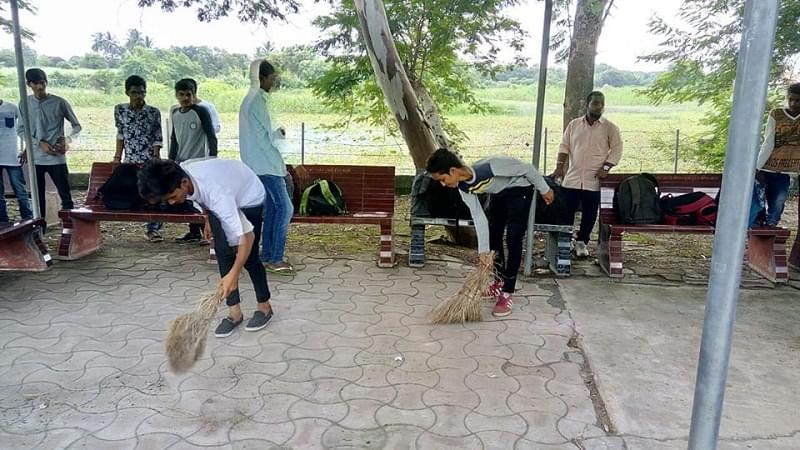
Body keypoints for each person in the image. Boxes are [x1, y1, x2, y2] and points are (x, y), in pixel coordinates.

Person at [138, 158, 274, 338]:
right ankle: (235, 313)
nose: (171, 203)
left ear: (184, 183)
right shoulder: (182, 171)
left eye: (172, 197)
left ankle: (265, 307)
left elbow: (247, 237)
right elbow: (200, 197)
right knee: (223, 253)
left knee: (248, 258)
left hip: (248, 196)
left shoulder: (218, 194)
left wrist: (234, 275)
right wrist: (207, 218)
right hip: (224, 191)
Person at [426, 148, 554, 317]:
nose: (443, 184)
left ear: (453, 171)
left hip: (519, 189)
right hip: (498, 194)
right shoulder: (464, 188)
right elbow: (479, 217)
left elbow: (528, 169)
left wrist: (545, 189)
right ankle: (498, 282)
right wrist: (484, 253)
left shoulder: (491, 167)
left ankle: (507, 292)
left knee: (513, 238)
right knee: (494, 235)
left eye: (443, 179)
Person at [551, 91, 622, 258]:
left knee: (590, 213)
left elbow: (617, 149)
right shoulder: (574, 125)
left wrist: (606, 167)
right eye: (595, 103)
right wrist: (559, 166)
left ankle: (582, 242)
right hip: (573, 177)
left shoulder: (609, 128)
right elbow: (564, 146)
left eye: (602, 104)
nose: (599, 107)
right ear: (587, 105)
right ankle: (566, 239)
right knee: (567, 211)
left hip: (594, 179)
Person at [239, 59, 294, 274]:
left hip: (256, 163)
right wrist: (278, 136)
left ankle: (268, 254)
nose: (273, 82)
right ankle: (275, 258)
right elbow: (265, 140)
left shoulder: (250, 99)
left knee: (273, 209)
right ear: (262, 78)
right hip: (266, 165)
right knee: (285, 208)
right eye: (272, 78)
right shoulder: (257, 102)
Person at [20, 68, 81, 220]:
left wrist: (67, 139)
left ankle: (70, 227)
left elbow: (76, 126)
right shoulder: (24, 103)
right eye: (35, 84)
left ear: (46, 82)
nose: (40, 87)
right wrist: (37, 144)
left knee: (65, 195)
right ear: (29, 84)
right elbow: (21, 129)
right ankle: (40, 230)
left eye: (42, 83)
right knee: (37, 197)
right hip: (36, 158)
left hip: (56, 157)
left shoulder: (59, 102)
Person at [112, 75, 164, 242]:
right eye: (134, 92)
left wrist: (156, 156)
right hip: (130, 160)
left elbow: (157, 136)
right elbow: (120, 135)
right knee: (134, 192)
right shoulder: (120, 110)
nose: (138, 96)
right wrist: (117, 157)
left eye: (141, 92)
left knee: (154, 193)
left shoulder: (153, 112)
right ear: (127, 92)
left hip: (149, 160)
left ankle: (153, 228)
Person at [168, 78, 218, 243]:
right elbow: (174, 139)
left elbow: (211, 136)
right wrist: (171, 161)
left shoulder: (201, 111)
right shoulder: (175, 113)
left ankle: (207, 230)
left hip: (199, 162)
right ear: (176, 95)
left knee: (201, 197)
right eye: (181, 95)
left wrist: (212, 158)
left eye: (188, 94)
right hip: (182, 161)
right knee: (186, 197)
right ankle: (194, 231)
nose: (185, 98)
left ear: (194, 94)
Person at [748, 82, 800, 228]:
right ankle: (755, 234)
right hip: (767, 167)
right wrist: (757, 168)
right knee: (758, 205)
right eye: (791, 99)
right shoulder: (776, 114)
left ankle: (770, 234)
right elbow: (768, 142)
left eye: (797, 100)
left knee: (778, 204)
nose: (793, 103)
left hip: (786, 171)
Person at [0, 98, 32, 222]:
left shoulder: (12, 108)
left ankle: (28, 219)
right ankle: (3, 222)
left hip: (12, 157)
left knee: (21, 192)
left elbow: (24, 128)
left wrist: (26, 149)